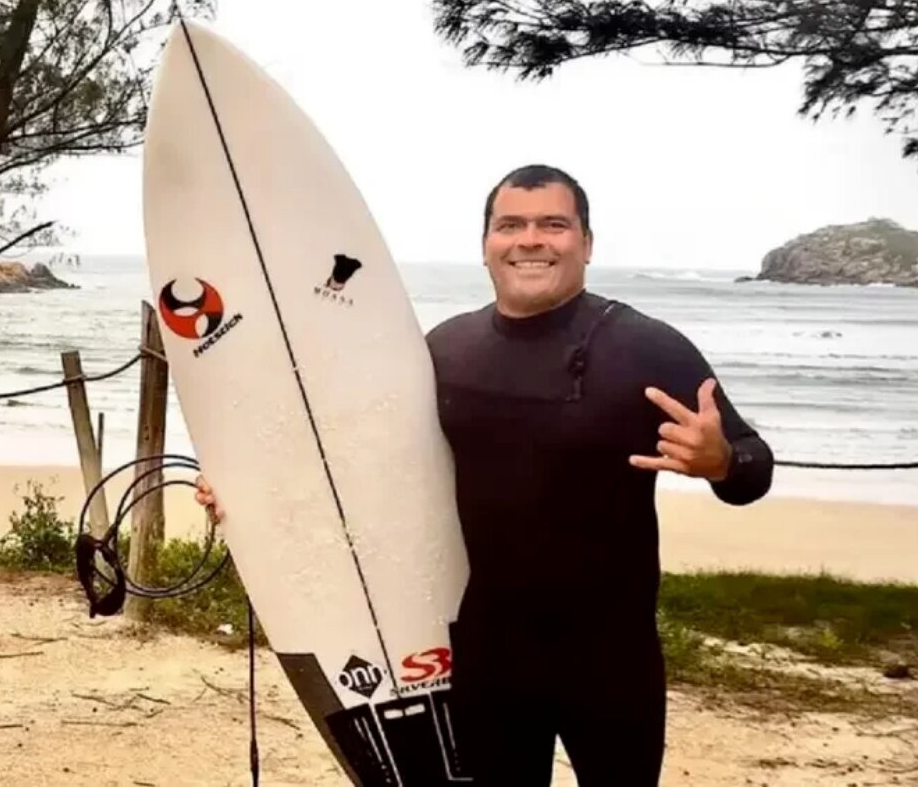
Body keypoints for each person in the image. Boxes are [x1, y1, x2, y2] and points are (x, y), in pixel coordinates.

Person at [194, 164, 774, 785]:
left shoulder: (646, 348)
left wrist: (720, 462)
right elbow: (362, 459)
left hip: (611, 656)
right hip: (490, 650)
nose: (531, 239)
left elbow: (753, 467)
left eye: (553, 224)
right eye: (511, 225)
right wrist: (247, 487)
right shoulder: (447, 350)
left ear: (586, 243)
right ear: (486, 246)